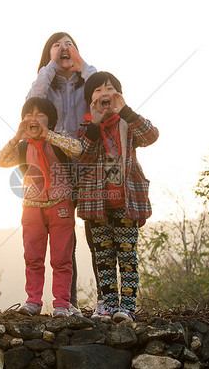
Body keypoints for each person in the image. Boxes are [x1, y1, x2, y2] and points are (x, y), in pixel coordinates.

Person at [27, 32, 100, 317]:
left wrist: (83, 65)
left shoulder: (87, 83)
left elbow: (101, 86)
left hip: (90, 165)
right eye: (56, 45)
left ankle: (105, 302)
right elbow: (32, 103)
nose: (64, 48)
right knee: (63, 241)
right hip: (55, 169)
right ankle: (66, 303)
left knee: (97, 235)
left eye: (69, 44)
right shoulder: (45, 85)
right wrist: (50, 65)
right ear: (48, 55)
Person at [77, 72, 159, 322]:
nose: (104, 94)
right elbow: (84, 156)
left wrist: (126, 111)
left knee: (127, 255)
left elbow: (151, 135)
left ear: (118, 95)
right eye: (98, 90)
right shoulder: (86, 128)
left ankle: (128, 308)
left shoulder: (129, 124)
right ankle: (110, 307)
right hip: (96, 203)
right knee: (103, 258)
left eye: (110, 88)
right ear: (90, 99)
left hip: (127, 200)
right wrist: (94, 124)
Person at [0, 97, 80, 318]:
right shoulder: (23, 147)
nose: (33, 118)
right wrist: (16, 137)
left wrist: (48, 135)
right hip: (32, 205)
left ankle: (62, 303)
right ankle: (33, 300)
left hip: (61, 203)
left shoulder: (58, 140)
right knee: (32, 257)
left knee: (62, 257)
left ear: (50, 120)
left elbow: (77, 149)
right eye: (28, 114)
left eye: (39, 114)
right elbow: (1, 160)